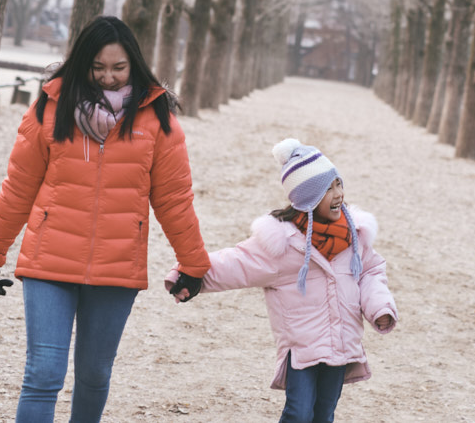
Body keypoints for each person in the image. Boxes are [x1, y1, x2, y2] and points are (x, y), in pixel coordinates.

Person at [0, 15, 211, 423]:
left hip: (117, 267)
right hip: (49, 261)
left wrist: (194, 265)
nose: (108, 78)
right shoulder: (51, 107)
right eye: (98, 67)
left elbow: (174, 199)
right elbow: (19, 187)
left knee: (94, 375)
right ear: (83, 62)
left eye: (119, 68)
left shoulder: (157, 118)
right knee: (42, 375)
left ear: (134, 64)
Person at [165, 138, 398, 423]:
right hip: (301, 347)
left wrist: (380, 307)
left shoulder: (354, 236)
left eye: (338, 184)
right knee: (299, 414)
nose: (338, 194)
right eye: (327, 188)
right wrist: (189, 273)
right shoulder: (283, 245)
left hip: (342, 343)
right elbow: (236, 263)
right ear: (308, 198)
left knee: (324, 414)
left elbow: (371, 272)